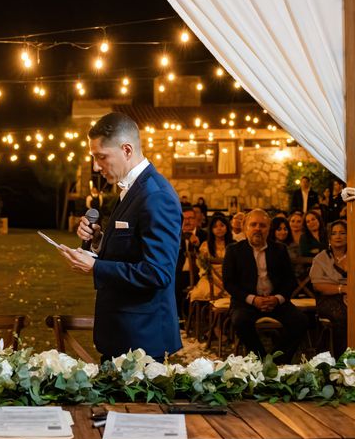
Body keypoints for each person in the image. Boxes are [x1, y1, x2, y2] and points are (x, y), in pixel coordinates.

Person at [58, 112, 182, 362]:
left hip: (142, 341)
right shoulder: (132, 189)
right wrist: (98, 241)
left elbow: (158, 272)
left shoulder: (156, 195)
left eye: (101, 157)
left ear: (126, 150)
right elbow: (133, 249)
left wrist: (96, 267)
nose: (95, 166)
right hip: (122, 334)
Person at [223, 209, 308, 364]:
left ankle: (276, 361)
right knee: (240, 321)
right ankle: (261, 360)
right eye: (253, 225)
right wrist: (253, 299)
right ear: (245, 228)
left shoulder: (280, 249)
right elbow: (229, 283)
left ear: (268, 229)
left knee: (301, 321)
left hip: (274, 301)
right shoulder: (234, 250)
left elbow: (290, 280)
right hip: (246, 303)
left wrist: (277, 299)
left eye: (262, 225)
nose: (257, 228)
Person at [310, 220, 348, 357]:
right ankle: (342, 360)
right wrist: (341, 289)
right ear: (329, 238)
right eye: (334, 233)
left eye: (342, 233)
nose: (338, 236)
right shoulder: (321, 258)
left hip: (353, 297)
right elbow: (317, 285)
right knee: (342, 315)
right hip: (327, 299)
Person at [188, 213, 233, 302]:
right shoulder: (206, 246)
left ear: (227, 227)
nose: (219, 228)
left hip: (230, 278)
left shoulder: (234, 245)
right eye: (215, 227)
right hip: (211, 279)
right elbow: (201, 266)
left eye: (222, 225)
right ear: (211, 230)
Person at [175, 205, 206, 316]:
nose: (187, 222)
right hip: (180, 272)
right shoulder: (175, 235)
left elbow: (206, 256)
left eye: (190, 218)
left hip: (200, 273)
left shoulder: (204, 235)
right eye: (184, 219)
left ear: (196, 219)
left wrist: (197, 245)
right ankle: (180, 318)